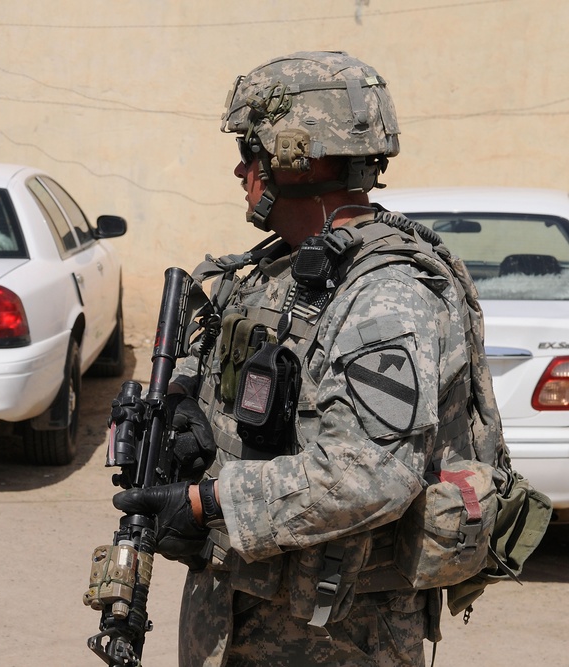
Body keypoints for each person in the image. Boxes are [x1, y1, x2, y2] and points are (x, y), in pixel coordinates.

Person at [113, 51, 507, 666]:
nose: (242, 168)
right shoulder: (276, 271)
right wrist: (188, 418)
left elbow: (370, 476)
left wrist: (209, 502)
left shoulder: (385, 295)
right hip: (234, 611)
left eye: (253, 150)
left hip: (335, 633)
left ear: (300, 160)